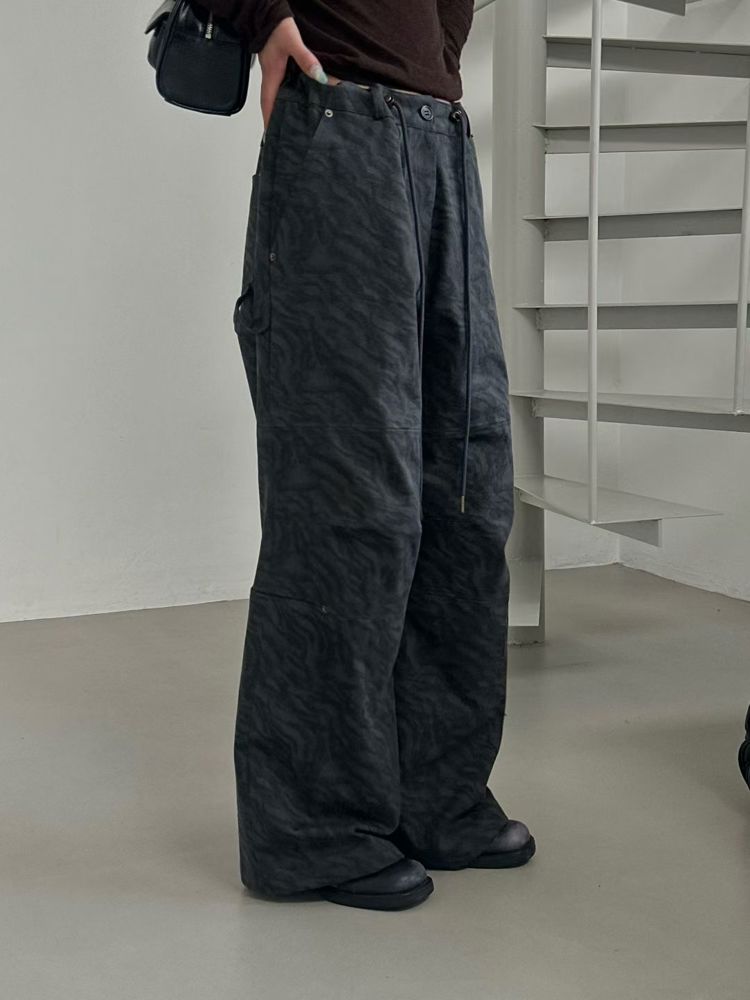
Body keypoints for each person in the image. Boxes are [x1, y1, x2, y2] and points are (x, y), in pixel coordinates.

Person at [199, 0, 535, 911]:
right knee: (347, 496)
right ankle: (311, 829)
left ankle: (435, 795)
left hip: (441, 142)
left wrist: (438, 62)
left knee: (466, 489)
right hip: (339, 131)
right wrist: (259, 16)